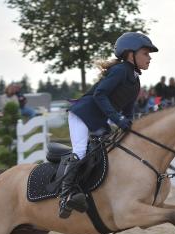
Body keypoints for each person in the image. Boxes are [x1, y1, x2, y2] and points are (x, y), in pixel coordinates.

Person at [60, 32, 158, 219]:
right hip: (83, 114)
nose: (149, 58)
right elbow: (99, 95)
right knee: (80, 151)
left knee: (109, 151)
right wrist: (117, 119)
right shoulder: (121, 70)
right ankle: (66, 196)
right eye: (145, 53)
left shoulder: (135, 80)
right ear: (131, 54)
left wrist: (129, 126)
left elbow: (128, 110)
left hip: (100, 119)